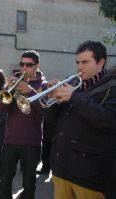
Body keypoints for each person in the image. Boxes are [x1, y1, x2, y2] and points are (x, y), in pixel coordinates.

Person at [44, 41, 116, 199]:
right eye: (77, 62)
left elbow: (109, 121)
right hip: (61, 170)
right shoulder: (74, 84)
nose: (79, 67)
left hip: (89, 176)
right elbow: (51, 121)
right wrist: (52, 101)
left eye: (85, 62)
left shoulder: (112, 87)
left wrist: (75, 97)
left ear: (101, 63)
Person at [0, 50, 46, 199]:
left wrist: (31, 92)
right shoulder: (15, 82)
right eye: (22, 64)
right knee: (4, 179)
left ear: (37, 66)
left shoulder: (43, 85)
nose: (24, 68)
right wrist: (8, 89)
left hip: (31, 142)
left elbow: (45, 111)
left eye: (29, 65)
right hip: (10, 140)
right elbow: (1, 108)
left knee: (29, 183)